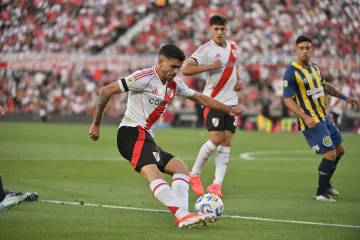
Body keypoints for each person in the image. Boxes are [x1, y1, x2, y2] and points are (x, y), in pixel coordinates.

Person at [88, 44, 244, 228]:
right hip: (131, 133)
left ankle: (183, 216)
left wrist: (228, 108)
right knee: (153, 173)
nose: (176, 71)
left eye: (179, 67)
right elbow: (106, 90)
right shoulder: (143, 77)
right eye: (173, 66)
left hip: (145, 137)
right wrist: (96, 123)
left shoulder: (174, 84)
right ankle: (183, 214)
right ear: (161, 62)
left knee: (181, 169)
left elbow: (200, 98)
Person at [282, 36, 358, 202]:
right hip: (311, 122)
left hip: (323, 117)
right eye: (301, 48)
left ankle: (327, 183)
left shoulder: (314, 68)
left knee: (340, 150)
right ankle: (321, 193)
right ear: (296, 50)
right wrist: (305, 117)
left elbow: (325, 87)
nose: (304, 51)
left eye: (307, 48)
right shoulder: (291, 72)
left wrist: (345, 98)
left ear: (312, 49)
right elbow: (287, 100)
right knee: (329, 155)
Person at [182, 15, 243, 198]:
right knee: (216, 138)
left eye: (222, 29)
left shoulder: (232, 46)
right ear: (210, 30)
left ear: (226, 30)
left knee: (226, 140)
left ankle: (217, 184)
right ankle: (194, 174)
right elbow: (186, 69)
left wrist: (238, 79)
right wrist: (209, 66)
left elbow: (232, 66)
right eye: (215, 29)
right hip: (213, 99)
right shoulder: (205, 50)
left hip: (232, 100)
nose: (219, 32)